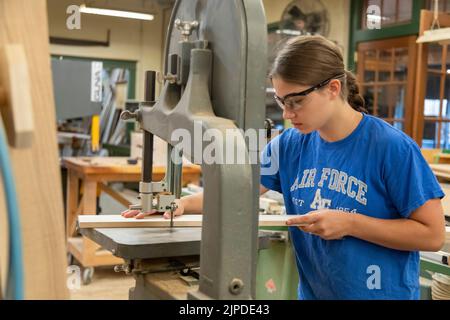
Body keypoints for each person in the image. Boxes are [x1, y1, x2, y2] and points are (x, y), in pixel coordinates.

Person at [122, 35, 446, 300]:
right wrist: (178, 205)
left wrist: (351, 224)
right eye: (281, 102)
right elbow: (241, 189)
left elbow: (432, 235)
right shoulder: (289, 145)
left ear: (333, 88)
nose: (288, 114)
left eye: (296, 101)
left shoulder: (391, 147)